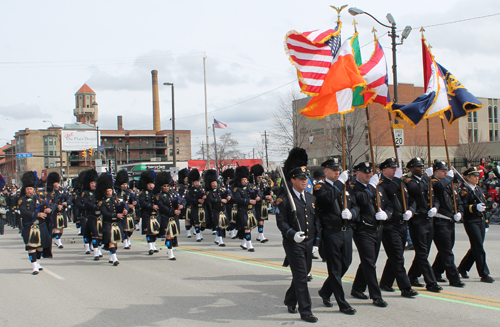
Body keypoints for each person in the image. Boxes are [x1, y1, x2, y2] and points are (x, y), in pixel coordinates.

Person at [315, 158, 359, 315]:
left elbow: (355, 205)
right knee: (334, 269)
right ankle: (342, 303)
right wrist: (340, 183)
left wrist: (352, 213)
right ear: (326, 171)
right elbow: (327, 199)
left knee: (346, 263)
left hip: (346, 231)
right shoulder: (321, 187)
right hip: (331, 232)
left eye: (338, 169)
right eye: (334, 170)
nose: (337, 172)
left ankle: (325, 291)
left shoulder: (346, 186)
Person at [276, 166, 320, 323]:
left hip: (308, 242)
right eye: (301, 179)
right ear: (292, 180)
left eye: (305, 179)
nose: (304, 181)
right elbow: (281, 222)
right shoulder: (284, 199)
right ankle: (306, 310)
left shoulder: (311, 198)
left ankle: (289, 299)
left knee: (302, 273)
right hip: (293, 243)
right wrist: (292, 234)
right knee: (302, 276)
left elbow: (316, 222)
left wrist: (316, 242)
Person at [349, 162, 392, 307]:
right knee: (369, 263)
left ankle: (357, 288)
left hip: (377, 229)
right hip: (363, 230)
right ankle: (376, 296)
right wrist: (371, 187)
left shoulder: (377, 187)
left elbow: (389, 204)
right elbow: (361, 200)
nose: (369, 174)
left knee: (370, 261)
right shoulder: (354, 188)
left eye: (370, 172)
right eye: (365, 172)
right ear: (357, 173)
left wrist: (386, 214)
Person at [377, 158, 419, 297]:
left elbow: (413, 200)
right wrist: (396, 179)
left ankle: (385, 282)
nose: (395, 170)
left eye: (396, 168)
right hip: (390, 225)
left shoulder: (402, 184)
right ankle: (405, 288)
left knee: (396, 256)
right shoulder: (381, 184)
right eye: (392, 168)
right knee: (397, 257)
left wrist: (411, 211)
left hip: (402, 224)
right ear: (384, 170)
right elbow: (389, 192)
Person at [404, 157, 442, 292]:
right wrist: (428, 177)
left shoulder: (427, 180)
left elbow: (435, 197)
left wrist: (436, 208)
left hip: (429, 219)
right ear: (411, 168)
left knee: (424, 252)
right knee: (421, 252)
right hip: (418, 220)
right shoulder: (409, 181)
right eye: (418, 166)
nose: (421, 168)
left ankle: (413, 276)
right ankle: (431, 282)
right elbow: (416, 191)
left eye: (422, 166)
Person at [429, 160, 465, 287]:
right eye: (442, 171)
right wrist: (449, 177)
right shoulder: (433, 183)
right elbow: (438, 187)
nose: (445, 173)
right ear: (435, 172)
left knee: (447, 249)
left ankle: (436, 272)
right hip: (440, 221)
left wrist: (460, 212)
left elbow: (459, 201)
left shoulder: (450, 185)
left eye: (446, 171)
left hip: (450, 221)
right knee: (446, 251)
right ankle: (454, 278)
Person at [457, 167, 495, 283]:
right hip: (471, 221)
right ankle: (484, 274)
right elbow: (461, 206)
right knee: (479, 247)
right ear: (468, 178)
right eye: (474, 176)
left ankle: (462, 268)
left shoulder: (478, 189)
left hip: (480, 221)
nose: (477, 178)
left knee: (476, 246)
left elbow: (483, 206)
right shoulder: (464, 190)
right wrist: (474, 207)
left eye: (478, 176)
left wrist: (486, 222)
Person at [18, 171, 52, 274]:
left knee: (40, 247)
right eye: (27, 189)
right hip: (29, 225)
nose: (29, 191)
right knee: (31, 246)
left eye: (31, 189)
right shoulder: (22, 200)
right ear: (25, 190)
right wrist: (36, 215)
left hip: (40, 225)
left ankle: (37, 262)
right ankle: (34, 267)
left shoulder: (39, 198)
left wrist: (48, 210)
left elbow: (47, 205)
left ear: (34, 190)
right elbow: (24, 212)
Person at [96, 173, 126, 266]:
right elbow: (104, 213)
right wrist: (115, 215)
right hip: (108, 223)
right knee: (111, 240)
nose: (109, 192)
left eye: (110, 190)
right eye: (107, 191)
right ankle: (115, 258)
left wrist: (125, 209)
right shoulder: (102, 202)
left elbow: (123, 205)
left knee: (115, 241)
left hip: (116, 224)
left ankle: (111, 257)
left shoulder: (116, 199)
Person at [232, 166, 260, 252]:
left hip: (252, 210)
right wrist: (249, 201)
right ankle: (249, 245)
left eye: (246, 179)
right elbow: (237, 199)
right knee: (247, 228)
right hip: (243, 210)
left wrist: (258, 197)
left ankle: (244, 242)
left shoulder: (251, 186)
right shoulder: (236, 189)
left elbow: (259, 192)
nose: (245, 181)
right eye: (243, 179)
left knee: (251, 227)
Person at [156, 171, 181, 260]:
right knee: (169, 235)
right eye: (164, 186)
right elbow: (162, 207)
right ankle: (170, 253)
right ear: (161, 187)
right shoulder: (159, 196)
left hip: (174, 218)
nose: (166, 188)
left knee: (173, 235)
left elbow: (181, 200)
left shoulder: (173, 193)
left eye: (167, 186)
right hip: (165, 218)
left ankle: (169, 248)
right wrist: (172, 211)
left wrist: (181, 205)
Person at [204, 169, 231, 247]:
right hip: (215, 210)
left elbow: (226, 192)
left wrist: (228, 195)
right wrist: (220, 200)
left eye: (215, 182)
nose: (214, 184)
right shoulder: (209, 192)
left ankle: (217, 239)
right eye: (212, 183)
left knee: (223, 225)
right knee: (218, 226)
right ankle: (220, 240)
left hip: (223, 209)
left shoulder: (220, 189)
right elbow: (210, 200)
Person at [81, 169, 102, 259]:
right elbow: (85, 203)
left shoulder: (100, 193)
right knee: (94, 234)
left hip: (100, 216)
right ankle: (96, 252)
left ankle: (99, 249)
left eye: (95, 182)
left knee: (101, 235)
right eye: (91, 183)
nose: (94, 184)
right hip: (91, 216)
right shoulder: (85, 193)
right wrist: (94, 206)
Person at [138, 170, 161, 255]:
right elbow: (142, 202)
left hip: (155, 214)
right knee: (148, 231)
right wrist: (151, 206)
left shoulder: (156, 192)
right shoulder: (143, 193)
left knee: (155, 231)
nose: (151, 185)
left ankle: (154, 245)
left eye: (152, 183)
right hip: (147, 214)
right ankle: (150, 246)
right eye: (149, 184)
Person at [250, 164, 272, 243]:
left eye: (261, 176)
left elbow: (266, 189)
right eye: (258, 177)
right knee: (254, 221)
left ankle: (260, 234)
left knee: (261, 219)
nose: (260, 178)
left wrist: (270, 192)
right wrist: (264, 196)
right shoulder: (251, 184)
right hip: (254, 205)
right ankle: (246, 236)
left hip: (262, 204)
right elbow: (256, 194)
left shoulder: (263, 182)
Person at [114, 170, 136, 250]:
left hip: (130, 212)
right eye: (123, 184)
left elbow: (134, 198)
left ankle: (128, 238)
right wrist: (127, 206)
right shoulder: (116, 193)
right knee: (125, 228)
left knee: (131, 229)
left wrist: (134, 202)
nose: (124, 185)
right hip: (122, 212)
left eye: (125, 184)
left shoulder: (129, 191)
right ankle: (125, 241)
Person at [46, 172, 68, 249]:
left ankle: (56, 238)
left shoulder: (62, 190)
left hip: (62, 211)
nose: (56, 185)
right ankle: (58, 241)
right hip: (54, 212)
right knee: (56, 227)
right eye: (54, 183)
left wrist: (66, 202)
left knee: (61, 228)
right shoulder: (49, 193)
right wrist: (56, 206)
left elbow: (69, 197)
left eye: (57, 183)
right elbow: (48, 202)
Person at [185, 169, 207, 242]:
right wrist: (197, 200)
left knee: (204, 223)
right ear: (192, 182)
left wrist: (204, 197)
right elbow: (189, 198)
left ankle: (200, 232)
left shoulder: (202, 189)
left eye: (197, 181)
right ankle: (197, 235)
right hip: (195, 207)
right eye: (195, 182)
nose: (197, 183)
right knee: (196, 222)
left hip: (202, 208)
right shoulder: (190, 190)